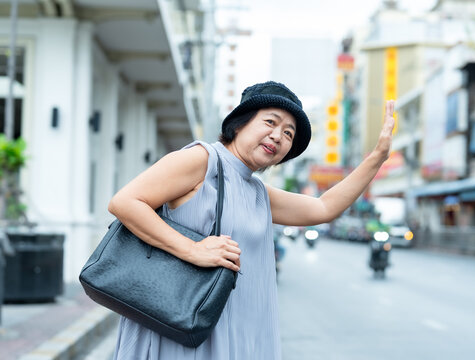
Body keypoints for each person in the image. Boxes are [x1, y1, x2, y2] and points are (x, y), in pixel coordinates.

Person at [108, 81, 395, 359]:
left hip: (231, 329)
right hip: (182, 326)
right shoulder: (202, 161)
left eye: (288, 134)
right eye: (270, 122)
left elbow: (323, 208)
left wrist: (377, 157)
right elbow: (125, 202)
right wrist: (192, 249)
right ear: (240, 123)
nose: (278, 136)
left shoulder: (257, 192)